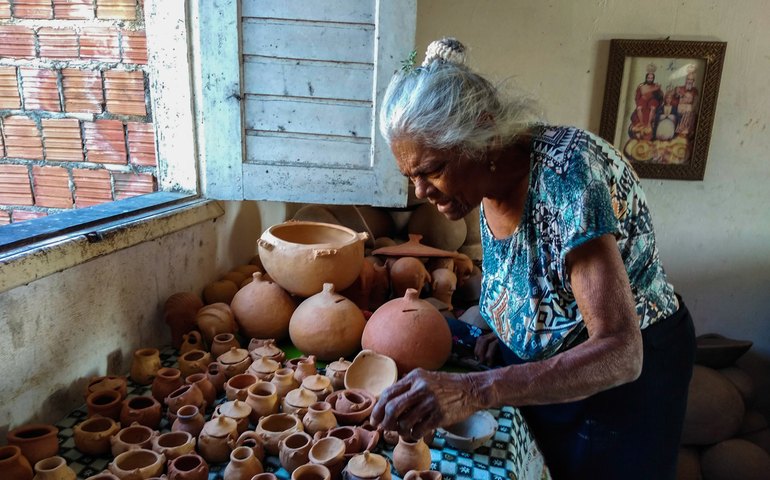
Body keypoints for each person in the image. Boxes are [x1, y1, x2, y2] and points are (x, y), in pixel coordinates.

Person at [371, 37, 695, 479]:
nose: (421, 192)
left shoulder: (570, 177)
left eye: (432, 170)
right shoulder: (481, 184)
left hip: (619, 381)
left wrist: (475, 388)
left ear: (482, 135)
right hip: (557, 367)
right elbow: (533, 272)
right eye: (411, 177)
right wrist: (509, 335)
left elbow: (620, 351)